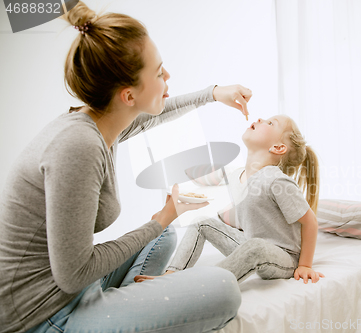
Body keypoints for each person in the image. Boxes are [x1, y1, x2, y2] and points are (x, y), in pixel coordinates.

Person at [0, 2, 253, 333]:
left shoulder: (100, 122)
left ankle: (132, 299)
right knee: (223, 288)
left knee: (162, 240)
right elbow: (74, 273)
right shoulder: (78, 147)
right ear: (128, 96)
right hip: (44, 313)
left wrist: (214, 94)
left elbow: (159, 113)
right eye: (159, 71)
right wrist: (163, 217)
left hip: (72, 289)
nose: (168, 76)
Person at [135, 115, 325, 285]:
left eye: (270, 122)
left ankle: (193, 284)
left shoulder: (277, 180)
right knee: (202, 222)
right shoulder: (237, 175)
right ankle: (171, 276)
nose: (259, 119)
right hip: (251, 245)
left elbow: (310, 222)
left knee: (255, 246)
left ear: (278, 147)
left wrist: (305, 265)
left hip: (283, 257)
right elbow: (208, 180)